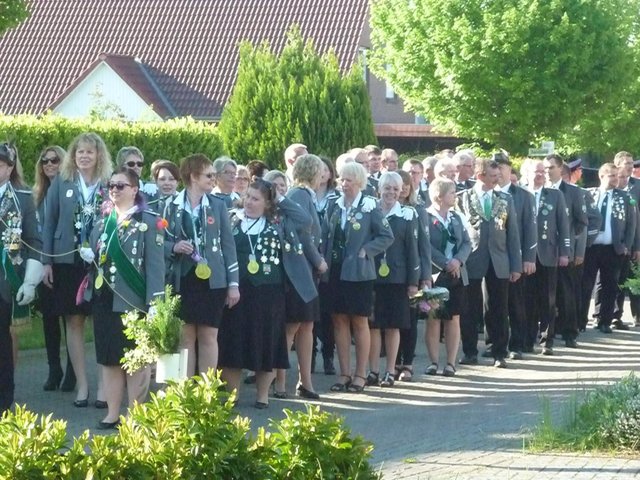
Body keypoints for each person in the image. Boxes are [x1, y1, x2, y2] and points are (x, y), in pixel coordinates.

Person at [218, 178, 315, 408]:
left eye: (256, 198)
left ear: (268, 203)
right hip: (237, 292)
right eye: (248, 196)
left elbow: (306, 220)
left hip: (269, 293)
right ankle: (233, 395)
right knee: (233, 342)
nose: (249, 202)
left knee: (266, 343)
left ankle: (263, 396)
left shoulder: (278, 221)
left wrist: (279, 196)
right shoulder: (232, 219)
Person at [81, 168, 165, 429]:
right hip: (104, 298)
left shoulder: (149, 221)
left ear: (134, 189)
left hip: (133, 301)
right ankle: (113, 412)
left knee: (135, 361)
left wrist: (155, 304)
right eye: (111, 186)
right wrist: (88, 254)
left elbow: (155, 267)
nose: (114, 190)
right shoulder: (102, 221)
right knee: (108, 359)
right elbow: (96, 256)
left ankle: (136, 415)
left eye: (121, 186)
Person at [43, 132, 112, 407]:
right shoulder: (62, 181)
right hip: (67, 260)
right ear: (73, 156)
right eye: (79, 152)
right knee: (73, 321)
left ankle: (103, 389)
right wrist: (47, 261)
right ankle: (82, 386)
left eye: (89, 152)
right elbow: (49, 222)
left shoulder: (108, 183)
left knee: (102, 322)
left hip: (99, 260)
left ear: (99, 156)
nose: (84, 156)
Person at [164, 154, 240, 377]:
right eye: (208, 175)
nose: (213, 179)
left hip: (212, 281)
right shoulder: (169, 205)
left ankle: (207, 390)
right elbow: (158, 242)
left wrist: (233, 284)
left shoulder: (218, 205)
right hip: (182, 279)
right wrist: (174, 246)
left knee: (209, 336)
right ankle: (185, 391)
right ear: (193, 177)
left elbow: (229, 246)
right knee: (185, 338)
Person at [321, 162, 394, 393]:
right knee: (339, 320)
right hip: (335, 271)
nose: (343, 184)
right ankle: (344, 373)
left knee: (359, 321)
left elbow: (386, 235)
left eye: (348, 180)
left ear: (359, 182)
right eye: (341, 179)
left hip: (360, 273)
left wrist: (367, 250)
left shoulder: (370, 205)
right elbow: (325, 235)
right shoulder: (334, 205)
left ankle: (361, 374)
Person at [456, 158, 522, 368]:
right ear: (480, 176)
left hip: (499, 259)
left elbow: (513, 234)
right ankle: (469, 351)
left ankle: (499, 352)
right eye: (493, 176)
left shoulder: (505, 199)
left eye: (498, 176)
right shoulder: (462, 198)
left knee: (498, 307)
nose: (497, 180)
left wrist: (516, 265)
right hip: (472, 258)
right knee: (469, 307)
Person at [273, 154, 327, 399]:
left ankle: (305, 381)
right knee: (291, 326)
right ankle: (281, 380)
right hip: (298, 272)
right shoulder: (300, 195)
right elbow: (302, 234)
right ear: (313, 172)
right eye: (322, 171)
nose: (325, 176)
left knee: (307, 326)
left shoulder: (306, 196)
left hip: (306, 273)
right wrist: (319, 260)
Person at [0, 142, 44, 413]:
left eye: (1, 164)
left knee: (2, 345)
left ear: (10, 167)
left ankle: (4, 401)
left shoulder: (23, 197)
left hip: (6, 283)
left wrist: (30, 281)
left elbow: (34, 240)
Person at [367, 172, 419, 387]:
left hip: (397, 278)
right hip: (372, 275)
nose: (391, 192)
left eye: (396, 189)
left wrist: (413, 282)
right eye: (387, 188)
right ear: (379, 189)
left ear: (401, 192)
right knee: (373, 326)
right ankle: (373, 371)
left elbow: (412, 251)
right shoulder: (370, 211)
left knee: (393, 326)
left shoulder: (407, 215)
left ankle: (390, 371)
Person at [33, 145, 76, 391]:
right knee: (49, 319)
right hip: (42, 262)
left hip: (64, 262)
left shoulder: (69, 189)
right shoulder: (36, 193)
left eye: (55, 160)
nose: (49, 164)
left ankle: (72, 371)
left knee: (69, 318)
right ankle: (53, 369)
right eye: (45, 160)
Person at [522, 159, 570, 355]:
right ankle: (526, 339)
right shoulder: (520, 194)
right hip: (526, 256)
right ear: (527, 173)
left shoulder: (555, 195)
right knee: (527, 300)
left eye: (543, 171)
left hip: (548, 255)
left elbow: (563, 226)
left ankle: (546, 341)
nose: (541, 174)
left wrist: (565, 252)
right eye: (536, 171)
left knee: (548, 300)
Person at [582, 163, 636, 334]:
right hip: (590, 247)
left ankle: (604, 320)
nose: (616, 179)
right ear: (602, 176)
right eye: (612, 176)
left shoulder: (624, 197)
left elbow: (631, 225)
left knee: (610, 285)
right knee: (586, 284)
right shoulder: (588, 195)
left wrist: (626, 246)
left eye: (617, 176)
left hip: (613, 248)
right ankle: (581, 319)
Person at [425, 178, 470, 376]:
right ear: (439, 196)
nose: (455, 196)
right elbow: (425, 246)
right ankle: (433, 362)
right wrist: (445, 263)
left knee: (453, 318)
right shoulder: (424, 217)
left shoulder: (456, 217)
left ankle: (451, 363)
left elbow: (467, 242)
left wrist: (458, 261)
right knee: (434, 318)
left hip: (457, 275)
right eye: (452, 192)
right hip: (435, 275)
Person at [494, 153, 537, 360]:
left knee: (516, 303)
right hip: (493, 259)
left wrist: (528, 258)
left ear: (510, 170)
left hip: (515, 258)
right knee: (492, 305)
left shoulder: (523, 196)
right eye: (496, 167)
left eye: (503, 167)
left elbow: (530, 228)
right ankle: (494, 342)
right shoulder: (487, 193)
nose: (499, 172)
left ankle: (517, 343)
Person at [395, 169, 431, 381]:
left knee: (410, 321)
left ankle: (407, 364)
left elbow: (424, 245)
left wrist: (425, 276)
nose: (405, 187)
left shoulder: (418, 209)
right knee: (393, 322)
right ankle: (394, 363)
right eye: (401, 183)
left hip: (413, 273)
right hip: (391, 274)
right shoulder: (385, 207)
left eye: (408, 183)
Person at [314, 157, 339, 375]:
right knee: (308, 313)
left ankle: (328, 356)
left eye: (325, 170)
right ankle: (309, 356)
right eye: (317, 170)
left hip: (329, 262)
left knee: (328, 313)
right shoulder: (304, 196)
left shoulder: (336, 198)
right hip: (308, 261)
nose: (322, 174)